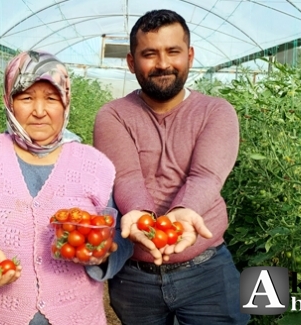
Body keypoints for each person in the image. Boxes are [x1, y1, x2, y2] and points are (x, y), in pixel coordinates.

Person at [0, 50, 133, 325]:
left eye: (51, 98)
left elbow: (120, 232)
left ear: (66, 102)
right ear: (8, 101)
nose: (39, 111)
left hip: (77, 316)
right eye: (26, 98)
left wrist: (102, 257)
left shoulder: (95, 165)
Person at [93, 9, 250, 325]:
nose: (163, 63)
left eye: (173, 52)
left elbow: (206, 175)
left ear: (189, 56)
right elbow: (126, 176)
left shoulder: (215, 111)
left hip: (207, 270)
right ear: (131, 62)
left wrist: (186, 210)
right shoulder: (113, 115)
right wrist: (143, 216)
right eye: (149, 54)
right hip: (134, 277)